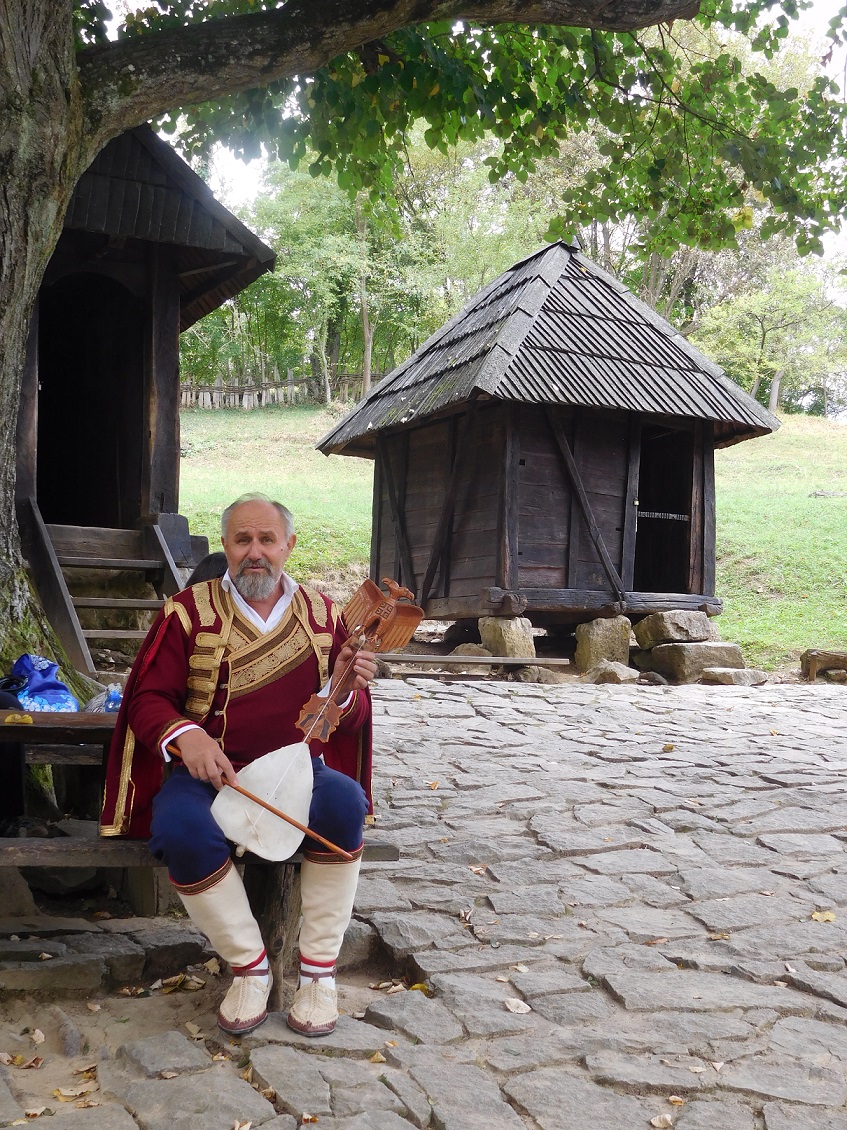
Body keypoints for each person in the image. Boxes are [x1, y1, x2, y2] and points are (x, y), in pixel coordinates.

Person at [100, 493, 377, 1038]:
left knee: (345, 805)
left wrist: (346, 687)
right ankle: (249, 967)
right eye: (242, 540)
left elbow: (353, 716)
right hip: (208, 777)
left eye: (267, 539)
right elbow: (148, 699)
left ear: (288, 545)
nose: (255, 552)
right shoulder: (187, 612)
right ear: (225, 546)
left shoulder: (326, 616)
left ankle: (318, 975)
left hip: (298, 773)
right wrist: (188, 736)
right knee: (180, 829)